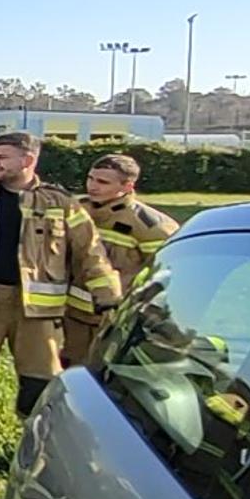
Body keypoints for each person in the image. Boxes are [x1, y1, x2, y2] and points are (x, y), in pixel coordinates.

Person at [0, 132, 120, 459]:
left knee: (40, 382)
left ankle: (39, 451)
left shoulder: (61, 204)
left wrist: (108, 296)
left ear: (27, 161)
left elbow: (91, 254)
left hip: (39, 312)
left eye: (2, 157)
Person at [62, 153, 178, 366]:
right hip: (70, 316)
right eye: (91, 178)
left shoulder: (152, 226)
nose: (93, 186)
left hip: (115, 319)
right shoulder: (75, 210)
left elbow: (167, 274)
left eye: (103, 182)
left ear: (127, 186)